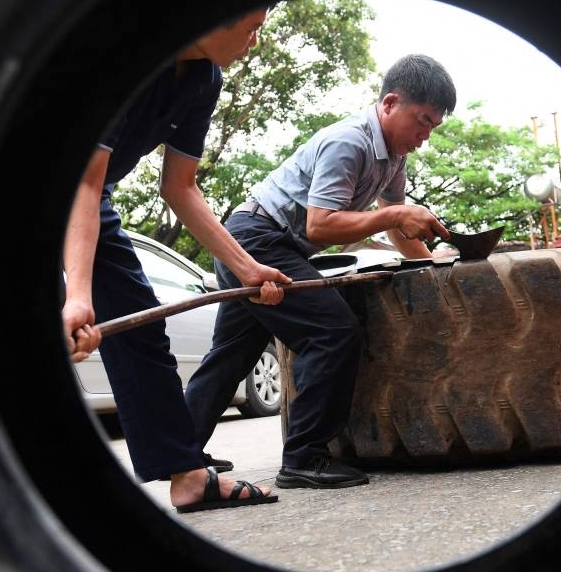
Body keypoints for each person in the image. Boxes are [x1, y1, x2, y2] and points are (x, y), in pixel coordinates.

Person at [185, 54, 456, 489]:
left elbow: (396, 220)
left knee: (234, 351)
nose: (424, 137)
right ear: (390, 103)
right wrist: (396, 217)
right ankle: (304, 457)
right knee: (332, 332)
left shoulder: (394, 156)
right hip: (257, 239)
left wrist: (435, 264)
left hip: (265, 240)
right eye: (421, 121)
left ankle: (181, 452)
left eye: (432, 128)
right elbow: (321, 224)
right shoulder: (349, 141)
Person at [62, 7, 292, 513]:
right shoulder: (126, 54)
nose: (255, 39)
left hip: (92, 197)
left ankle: (189, 475)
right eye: (250, 25)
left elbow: (180, 187)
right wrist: (79, 294)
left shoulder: (204, 79)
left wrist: (249, 268)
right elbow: (82, 178)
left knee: (139, 329)